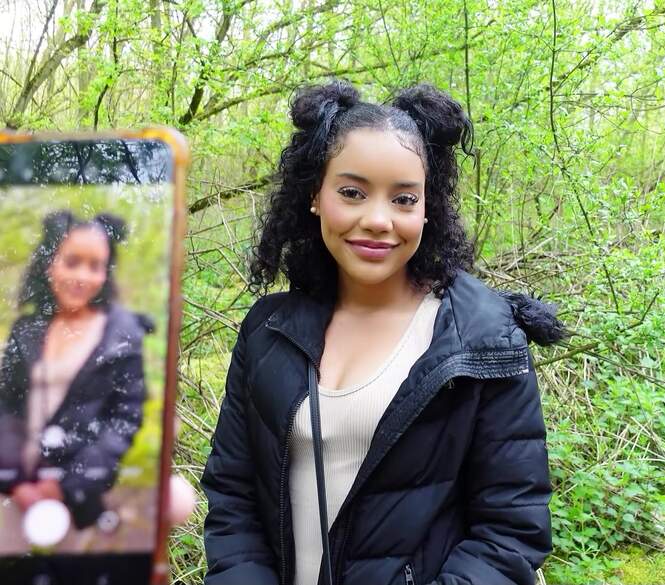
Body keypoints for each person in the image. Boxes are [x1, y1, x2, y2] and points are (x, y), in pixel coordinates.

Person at [201, 80, 566, 585]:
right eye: (352, 193)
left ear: (427, 207)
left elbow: (510, 533)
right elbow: (233, 497)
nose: (377, 219)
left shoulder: (484, 339)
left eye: (403, 199)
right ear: (315, 195)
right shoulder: (268, 331)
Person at [0, 210, 151, 531]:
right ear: (49, 264)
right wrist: (15, 481)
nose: (82, 276)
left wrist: (69, 483)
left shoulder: (121, 335)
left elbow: (124, 419)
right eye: (71, 262)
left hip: (80, 496)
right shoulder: (26, 328)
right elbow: (7, 405)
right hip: (16, 490)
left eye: (95, 266)